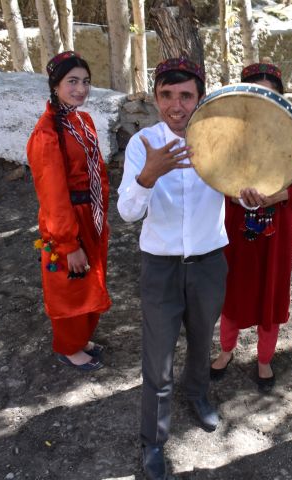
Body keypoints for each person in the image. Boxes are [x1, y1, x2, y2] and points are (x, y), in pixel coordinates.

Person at [117, 57, 228, 480]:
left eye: (186, 95)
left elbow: (239, 190)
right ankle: (154, 440)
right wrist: (148, 175)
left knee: (202, 341)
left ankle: (198, 395)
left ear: (200, 98)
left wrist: (250, 196)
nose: (176, 105)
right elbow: (128, 212)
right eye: (167, 95)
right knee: (158, 358)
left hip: (209, 263)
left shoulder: (218, 139)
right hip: (160, 267)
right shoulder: (142, 144)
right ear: (156, 97)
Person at [209, 62, 292, 393]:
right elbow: (215, 178)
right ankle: (226, 350)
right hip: (236, 224)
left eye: (272, 94)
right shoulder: (227, 139)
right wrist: (238, 196)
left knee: (271, 288)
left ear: (281, 99)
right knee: (233, 285)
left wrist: (274, 196)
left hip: (277, 227)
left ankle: (264, 358)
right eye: (258, 94)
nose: (265, 100)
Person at [26, 51, 110, 372]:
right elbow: (53, 194)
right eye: (72, 81)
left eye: (85, 82)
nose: (80, 89)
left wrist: (99, 215)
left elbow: (96, 171)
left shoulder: (81, 121)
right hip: (68, 220)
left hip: (91, 216)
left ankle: (81, 339)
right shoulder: (47, 133)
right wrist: (68, 243)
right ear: (55, 85)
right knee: (71, 283)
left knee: (90, 280)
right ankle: (67, 347)